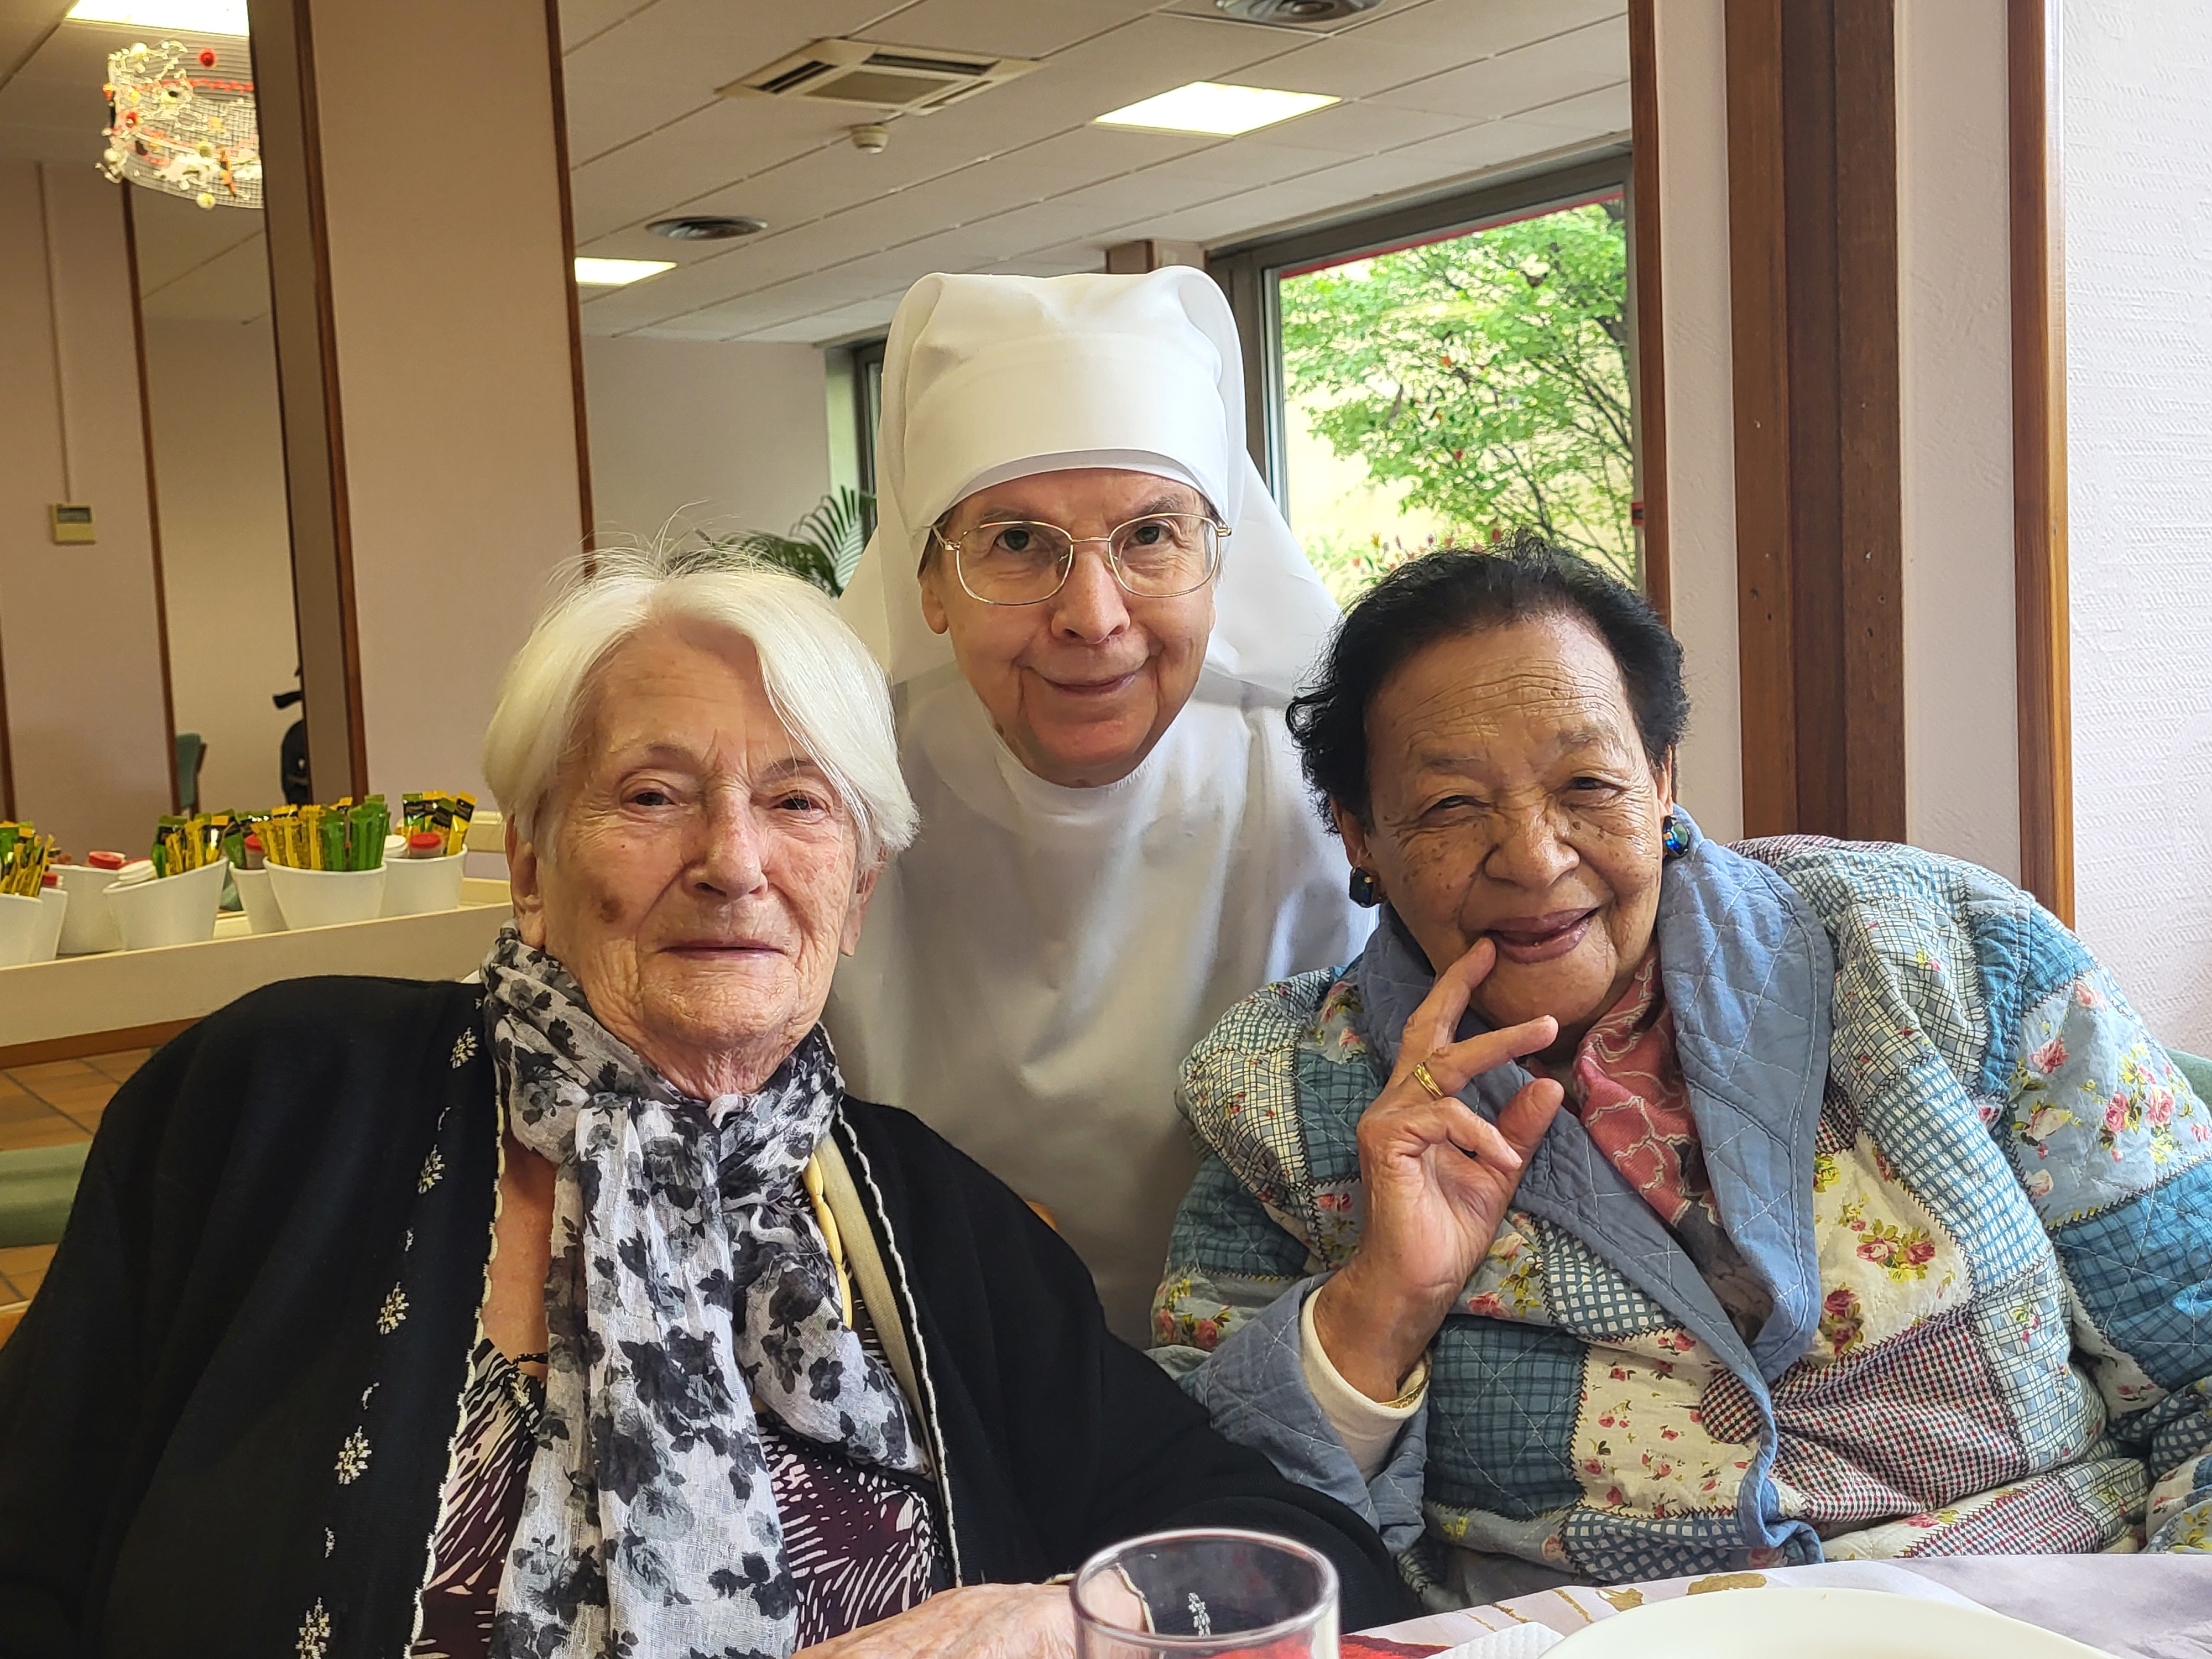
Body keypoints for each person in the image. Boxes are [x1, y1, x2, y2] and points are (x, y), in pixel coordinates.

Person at [0, 547, 1405, 1659]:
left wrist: (1058, 1615)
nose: (734, 863)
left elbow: (1292, 1549)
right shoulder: (280, 1099)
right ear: (532, 866)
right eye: (654, 794)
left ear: (855, 890)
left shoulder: (932, 1219)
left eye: (798, 805)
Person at [1154, 538, 2212, 1606]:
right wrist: (1380, 1302)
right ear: (1358, 835)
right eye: (1451, 807)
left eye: (1587, 783)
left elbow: (2203, 1361)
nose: (1534, 858)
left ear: (1661, 780)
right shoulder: (1281, 1091)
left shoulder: (1940, 948)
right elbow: (1202, 1535)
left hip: (2045, 1608)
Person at [832, 268, 1370, 1339]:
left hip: (1274, 1359)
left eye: (1151, 537)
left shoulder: (1311, 785)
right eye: (1016, 543)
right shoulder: (832, 790)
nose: (1093, 616)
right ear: (926, 582)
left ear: (1219, 561)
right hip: (919, 1377)